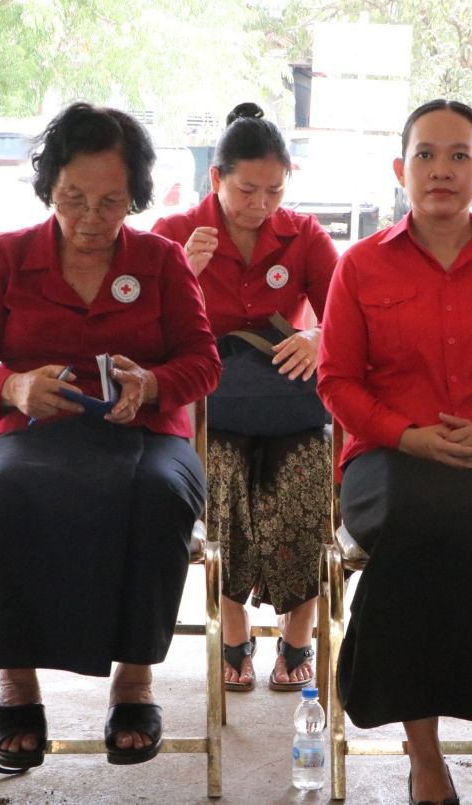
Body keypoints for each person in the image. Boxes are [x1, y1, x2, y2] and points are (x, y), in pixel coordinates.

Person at [0, 103, 221, 768]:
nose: (91, 218)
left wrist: (151, 383)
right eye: (73, 198)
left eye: (110, 202)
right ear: (49, 187)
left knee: (160, 495)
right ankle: (16, 682)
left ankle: (134, 680)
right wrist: (11, 386)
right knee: (3, 492)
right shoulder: (5, 256)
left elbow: (203, 361)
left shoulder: (162, 259)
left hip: (146, 436)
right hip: (28, 438)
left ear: (135, 197)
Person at [318, 99, 472, 805]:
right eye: (425, 154)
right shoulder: (361, 265)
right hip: (389, 457)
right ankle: (425, 759)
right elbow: (336, 380)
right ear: (400, 169)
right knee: (415, 527)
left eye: (459, 155)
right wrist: (408, 435)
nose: (441, 170)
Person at [154, 103, 337, 693]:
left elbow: (348, 317)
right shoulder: (175, 233)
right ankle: (232, 630)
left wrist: (318, 337)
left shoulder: (304, 235)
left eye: (274, 191)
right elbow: (140, 332)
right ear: (216, 178)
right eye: (246, 190)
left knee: (309, 477)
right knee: (221, 476)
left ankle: (298, 633)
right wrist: (179, 273)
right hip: (210, 408)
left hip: (288, 404)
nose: (260, 204)